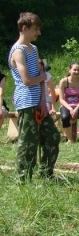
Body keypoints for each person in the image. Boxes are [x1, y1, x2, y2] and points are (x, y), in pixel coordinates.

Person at [8, 12, 60, 182]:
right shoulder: (18, 51)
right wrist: (43, 76)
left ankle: (46, 174)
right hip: (26, 102)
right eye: (35, 29)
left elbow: (41, 74)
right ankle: (22, 179)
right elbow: (28, 80)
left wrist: (44, 102)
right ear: (24, 28)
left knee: (52, 136)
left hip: (38, 102)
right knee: (28, 142)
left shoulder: (34, 48)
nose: (38, 33)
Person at [59, 61, 79, 143]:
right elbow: (61, 99)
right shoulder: (63, 81)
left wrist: (76, 109)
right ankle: (70, 139)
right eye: (74, 70)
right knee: (65, 117)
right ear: (69, 70)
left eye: (78, 70)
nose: (76, 72)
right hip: (66, 105)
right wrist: (70, 109)